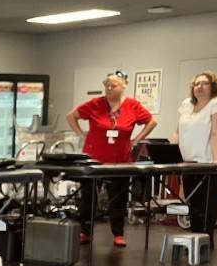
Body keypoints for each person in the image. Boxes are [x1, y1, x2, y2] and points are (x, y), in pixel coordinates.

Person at [66, 71, 156, 247]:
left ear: (123, 87)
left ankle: (118, 233)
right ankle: (85, 231)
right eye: (106, 84)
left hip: (120, 160)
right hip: (94, 158)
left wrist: (136, 140)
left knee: (118, 197)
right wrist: (80, 135)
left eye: (113, 85)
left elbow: (152, 122)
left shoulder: (133, 105)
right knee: (88, 197)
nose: (108, 87)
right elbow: (72, 116)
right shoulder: (95, 103)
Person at [170, 71, 217, 240]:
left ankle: (206, 239)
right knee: (193, 201)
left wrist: (216, 160)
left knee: (208, 202)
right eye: (197, 84)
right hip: (191, 159)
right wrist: (172, 154)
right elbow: (178, 132)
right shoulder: (186, 105)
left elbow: (216, 133)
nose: (199, 86)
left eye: (204, 83)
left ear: (213, 86)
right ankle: (195, 238)